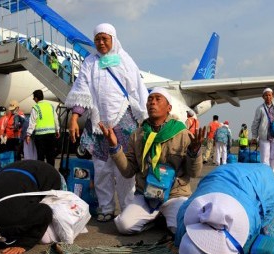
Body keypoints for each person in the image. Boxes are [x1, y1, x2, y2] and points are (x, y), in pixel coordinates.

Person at [65, 23, 149, 222]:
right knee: (102, 169)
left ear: (113, 38)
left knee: (124, 170)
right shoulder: (90, 62)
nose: (101, 43)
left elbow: (137, 89)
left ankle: (128, 208)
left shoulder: (125, 60)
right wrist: (75, 117)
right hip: (98, 124)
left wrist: (145, 118)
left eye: (105, 38)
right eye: (97, 39)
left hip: (124, 122)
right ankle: (106, 207)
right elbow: (82, 90)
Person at [99, 87, 205, 235]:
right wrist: (115, 147)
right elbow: (127, 171)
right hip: (146, 194)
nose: (152, 103)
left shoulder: (182, 134)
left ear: (169, 108)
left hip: (174, 195)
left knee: (181, 229)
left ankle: (164, 218)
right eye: (150, 99)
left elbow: (194, 172)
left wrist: (194, 152)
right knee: (124, 225)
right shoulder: (138, 135)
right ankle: (154, 220)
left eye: (157, 99)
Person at [175, 164, 274, 254]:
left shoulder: (248, 223)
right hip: (220, 175)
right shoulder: (182, 224)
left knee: (271, 248)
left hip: (260, 178)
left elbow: (256, 224)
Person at [25, 90, 60, 166]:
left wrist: (28, 134)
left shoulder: (36, 107)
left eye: (34, 98)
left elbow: (32, 122)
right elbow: (55, 119)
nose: (34, 99)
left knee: (40, 156)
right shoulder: (50, 106)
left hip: (40, 136)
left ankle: (41, 174)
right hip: (51, 134)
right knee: (50, 156)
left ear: (36, 98)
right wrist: (57, 130)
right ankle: (51, 173)